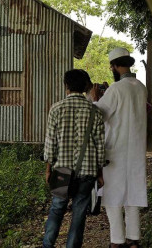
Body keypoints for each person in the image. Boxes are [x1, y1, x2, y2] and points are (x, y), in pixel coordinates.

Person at [43, 69, 106, 248]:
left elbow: (50, 144)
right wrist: (100, 173)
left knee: (56, 209)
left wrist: (48, 169)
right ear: (86, 86)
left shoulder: (56, 109)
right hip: (87, 172)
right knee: (79, 214)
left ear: (66, 86)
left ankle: (48, 245)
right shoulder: (95, 111)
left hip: (62, 170)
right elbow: (100, 146)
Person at [91, 48, 147, 248]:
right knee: (133, 194)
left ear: (114, 66)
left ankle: (117, 241)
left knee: (113, 196)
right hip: (136, 151)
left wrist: (94, 97)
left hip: (115, 150)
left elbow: (99, 114)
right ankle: (134, 239)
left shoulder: (116, 89)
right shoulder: (141, 87)